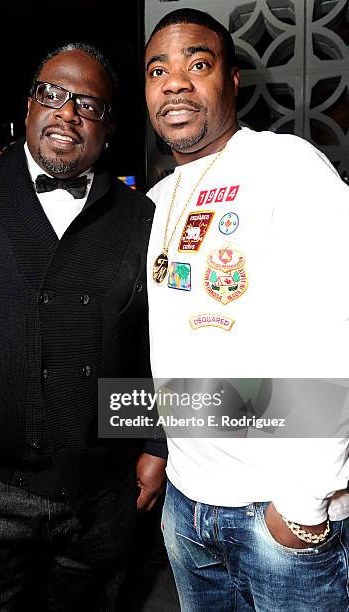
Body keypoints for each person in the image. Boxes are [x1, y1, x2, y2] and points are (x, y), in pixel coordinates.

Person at [0, 43, 166, 610]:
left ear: (109, 125)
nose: (67, 112)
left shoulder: (140, 217)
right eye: (52, 93)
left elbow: (150, 344)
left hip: (102, 495)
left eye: (88, 104)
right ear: (29, 105)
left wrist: (153, 441)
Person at [144, 8, 349, 611]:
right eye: (159, 70)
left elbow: (337, 325)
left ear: (232, 79)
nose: (175, 81)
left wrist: (306, 501)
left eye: (197, 63)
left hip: (277, 516)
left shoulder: (286, 166)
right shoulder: (156, 202)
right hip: (188, 507)